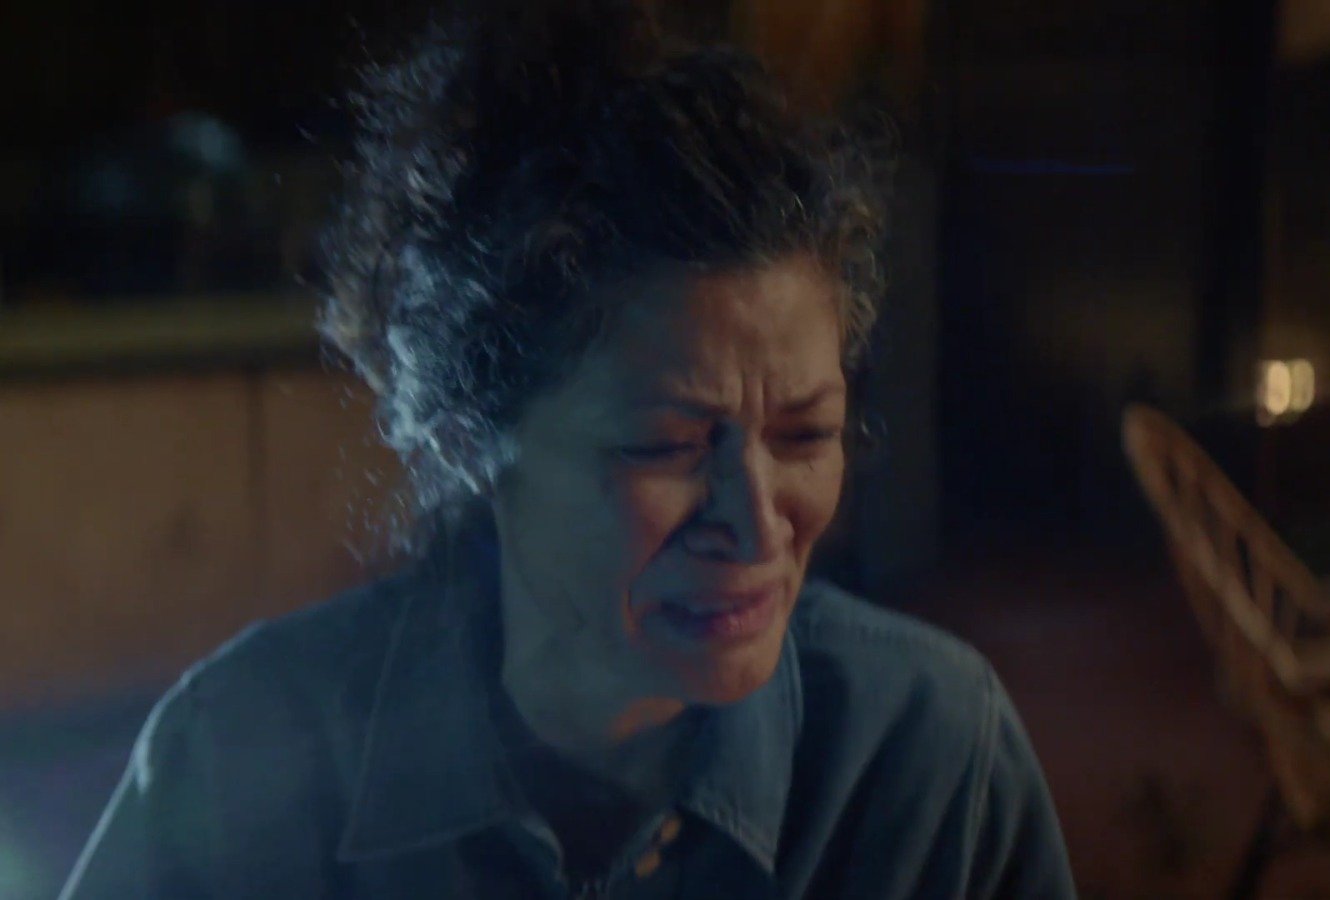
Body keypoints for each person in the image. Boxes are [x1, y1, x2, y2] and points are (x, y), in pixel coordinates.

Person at [60, 2, 1075, 897]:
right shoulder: (245, 761)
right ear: (468, 439)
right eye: (669, 446)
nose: (757, 523)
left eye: (804, 434)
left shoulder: (925, 765)